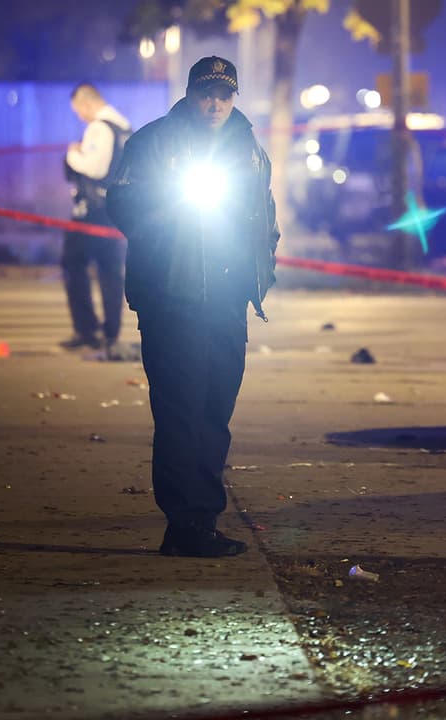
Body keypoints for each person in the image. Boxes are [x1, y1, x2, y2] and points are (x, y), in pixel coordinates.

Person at [106, 57, 280, 558]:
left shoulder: (248, 148)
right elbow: (121, 202)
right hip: (172, 299)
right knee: (181, 412)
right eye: (207, 94)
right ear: (190, 94)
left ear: (234, 99)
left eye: (225, 96)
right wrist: (164, 232)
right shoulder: (155, 141)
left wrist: (261, 265)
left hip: (228, 301)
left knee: (214, 412)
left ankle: (203, 518)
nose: (215, 104)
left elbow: (264, 213)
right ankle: (182, 525)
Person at [62, 83, 131, 353]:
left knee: (72, 262)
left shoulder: (100, 128)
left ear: (86, 103)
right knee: (111, 270)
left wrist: (72, 154)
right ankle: (111, 331)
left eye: (78, 110)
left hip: (92, 212)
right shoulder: (125, 127)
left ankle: (86, 329)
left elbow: (95, 167)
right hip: (116, 210)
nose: (80, 116)